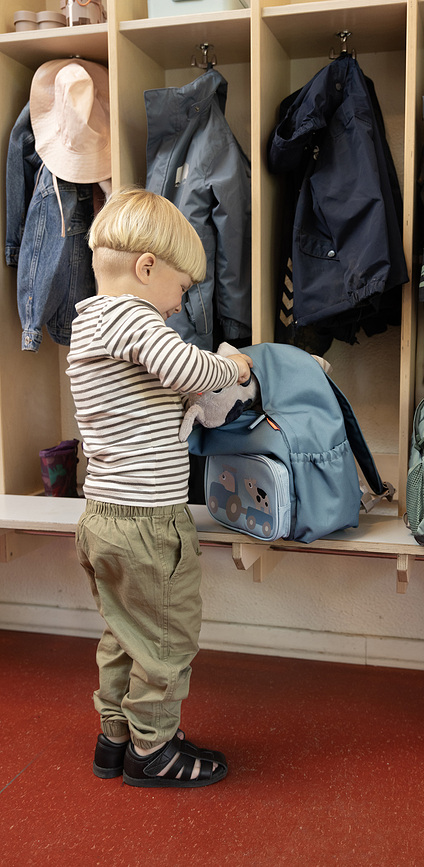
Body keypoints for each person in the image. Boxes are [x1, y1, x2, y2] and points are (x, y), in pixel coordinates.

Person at [67, 186, 253, 788]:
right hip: (148, 523)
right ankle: (155, 748)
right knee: (166, 640)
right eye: (182, 287)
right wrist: (234, 367)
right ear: (146, 268)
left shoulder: (91, 324)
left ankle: (115, 739)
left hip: (103, 516)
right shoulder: (132, 317)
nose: (180, 305)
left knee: (125, 635)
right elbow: (188, 367)